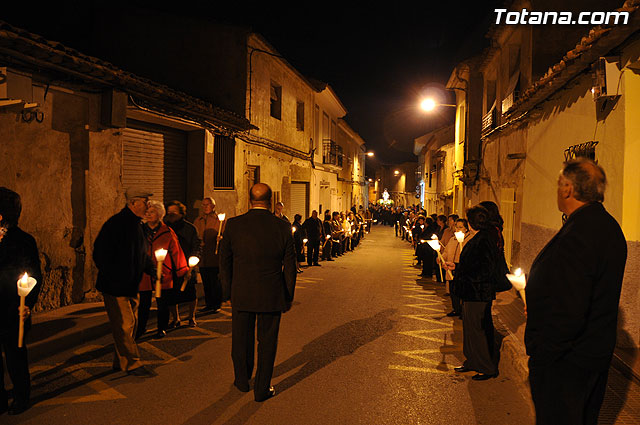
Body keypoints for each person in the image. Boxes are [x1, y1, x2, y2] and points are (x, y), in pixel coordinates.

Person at [525, 159, 626, 425]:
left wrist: (542, 356)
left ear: (568, 188)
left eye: (559, 185)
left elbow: (570, 309)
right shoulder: (608, 226)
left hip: (567, 364)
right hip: (591, 356)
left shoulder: (580, 232)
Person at [219, 183, 296, 402]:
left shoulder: (234, 225)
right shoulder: (282, 227)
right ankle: (262, 388)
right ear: (270, 201)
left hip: (242, 292)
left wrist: (226, 292)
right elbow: (289, 266)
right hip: (271, 294)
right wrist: (288, 295)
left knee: (241, 339)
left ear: (249, 200)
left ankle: (242, 381)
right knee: (267, 342)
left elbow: (224, 262)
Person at [93, 188, 156, 377]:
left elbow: (140, 253)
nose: (148, 205)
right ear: (133, 203)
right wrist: (115, 275)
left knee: (130, 324)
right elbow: (100, 253)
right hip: (116, 285)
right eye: (145, 201)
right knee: (124, 324)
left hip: (130, 284)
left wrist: (151, 269)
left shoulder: (137, 225)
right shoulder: (117, 224)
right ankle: (132, 362)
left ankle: (120, 361)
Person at [0, 188, 42, 415]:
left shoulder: (23, 240)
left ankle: (21, 396)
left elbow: (33, 274)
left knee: (15, 356)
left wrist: (28, 304)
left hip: (13, 309)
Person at [452, 205, 499, 381]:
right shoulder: (479, 237)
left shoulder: (484, 239)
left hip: (478, 293)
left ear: (472, 222)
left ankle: (486, 367)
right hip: (471, 292)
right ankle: (472, 360)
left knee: (477, 329)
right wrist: (456, 268)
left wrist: (465, 276)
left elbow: (485, 269)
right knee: (470, 329)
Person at [137, 201, 188, 339]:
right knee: (143, 304)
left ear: (159, 215)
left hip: (163, 270)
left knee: (162, 302)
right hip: (145, 272)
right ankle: (140, 328)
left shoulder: (167, 232)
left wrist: (182, 270)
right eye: (147, 212)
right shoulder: (139, 230)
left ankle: (161, 328)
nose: (148, 214)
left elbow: (176, 251)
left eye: (152, 212)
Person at [164, 200, 201, 328]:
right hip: (171, 266)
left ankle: (191, 317)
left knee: (190, 293)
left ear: (181, 213)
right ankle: (175, 318)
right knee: (171, 294)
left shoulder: (190, 228)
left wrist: (194, 259)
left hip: (187, 266)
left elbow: (196, 245)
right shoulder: (165, 227)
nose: (171, 215)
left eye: (174, 212)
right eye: (169, 212)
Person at [193, 197, 222, 313]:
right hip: (203, 258)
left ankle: (217, 303)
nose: (205, 207)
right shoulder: (198, 220)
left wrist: (221, 238)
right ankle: (209, 304)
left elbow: (225, 235)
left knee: (215, 282)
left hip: (214, 257)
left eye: (207, 205)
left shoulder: (219, 220)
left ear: (213, 206)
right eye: (203, 205)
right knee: (206, 283)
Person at [442, 218, 469, 317]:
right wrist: (441, 258)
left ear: (466, 229)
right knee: (453, 290)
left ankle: (463, 311)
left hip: (461, 269)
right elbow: (446, 251)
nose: (458, 229)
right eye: (456, 227)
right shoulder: (452, 239)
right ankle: (456, 308)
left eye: (460, 227)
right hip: (451, 268)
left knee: (462, 290)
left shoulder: (468, 240)